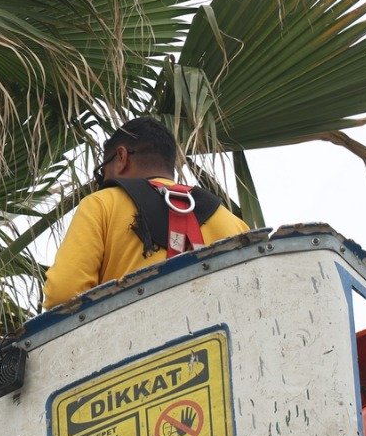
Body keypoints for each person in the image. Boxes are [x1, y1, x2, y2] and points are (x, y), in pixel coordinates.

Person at [42, 117, 251, 308]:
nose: (102, 181)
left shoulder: (101, 204)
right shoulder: (231, 221)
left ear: (121, 157)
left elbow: (63, 294)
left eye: (102, 173)